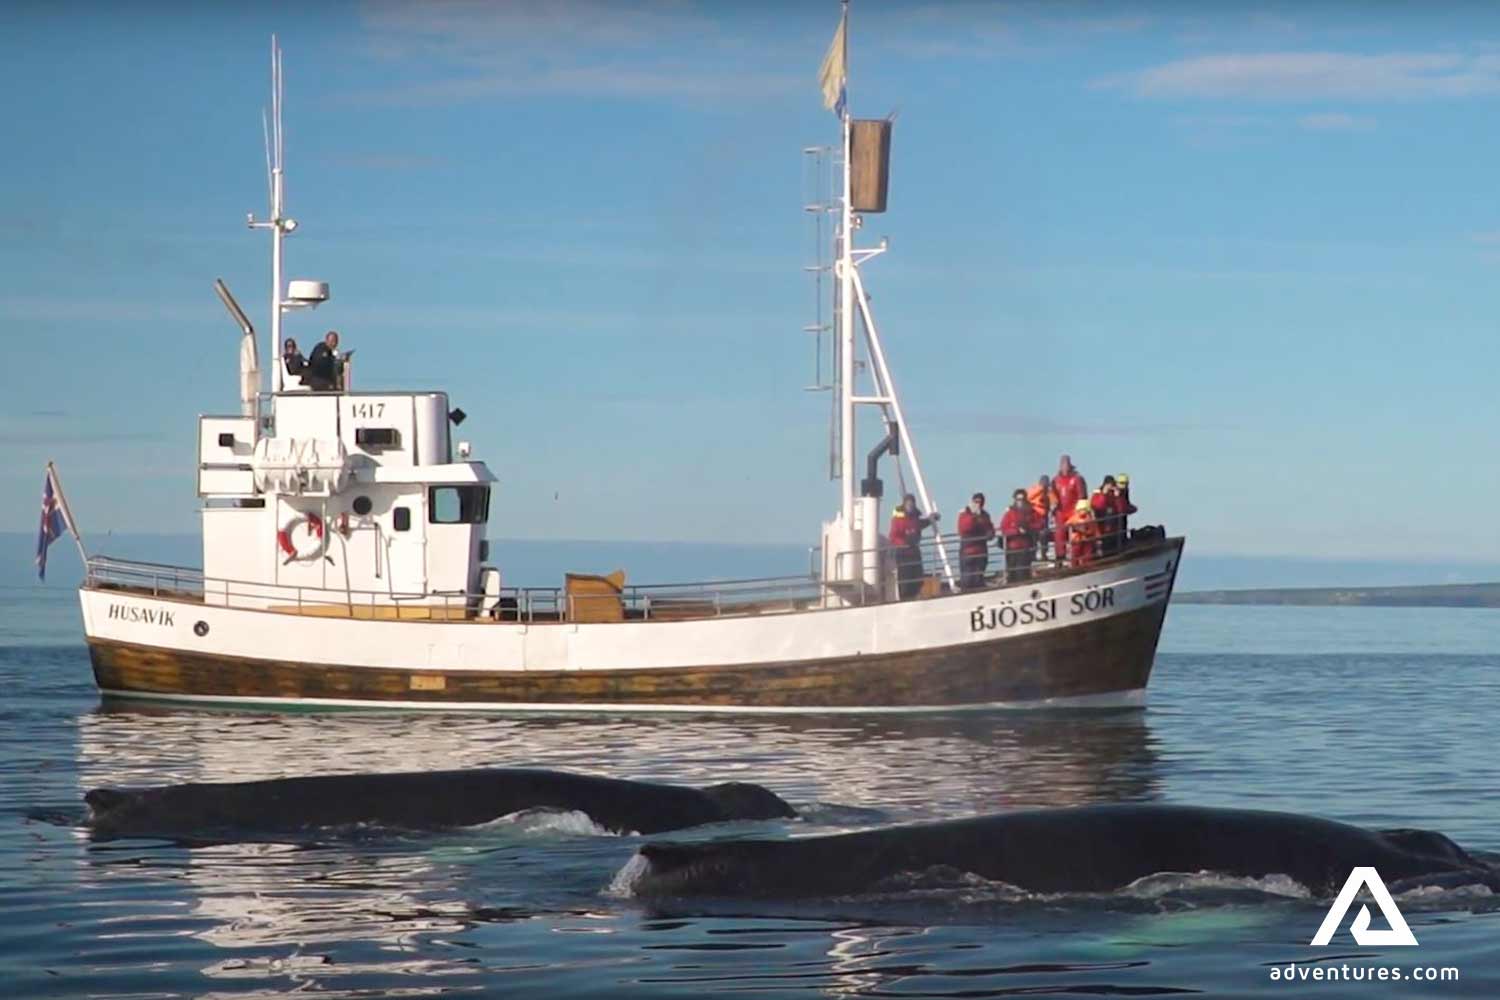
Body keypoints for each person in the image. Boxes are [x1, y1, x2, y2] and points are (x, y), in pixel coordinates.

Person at [889, 493, 937, 600]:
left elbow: (920, 524)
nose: (910, 505)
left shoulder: (915, 518)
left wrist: (931, 519)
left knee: (918, 577)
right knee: (905, 578)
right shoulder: (898, 519)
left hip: (914, 551)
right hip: (903, 553)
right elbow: (893, 536)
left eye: (912, 503)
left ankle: (915, 594)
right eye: (908, 503)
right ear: (904, 504)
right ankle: (906, 598)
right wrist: (904, 544)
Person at [956, 492, 995, 590]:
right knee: (967, 579)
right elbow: (964, 529)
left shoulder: (985, 515)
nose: (978, 504)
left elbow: (990, 528)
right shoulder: (964, 514)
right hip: (968, 551)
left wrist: (990, 534)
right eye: (976, 501)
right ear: (972, 502)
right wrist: (974, 516)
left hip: (981, 551)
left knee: (978, 578)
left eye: (980, 502)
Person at [1052, 455, 1087, 560]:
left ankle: (1077, 558)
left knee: (1077, 535)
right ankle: (1060, 557)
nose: (1064, 466)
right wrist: (1053, 503)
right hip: (1061, 512)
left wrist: (1081, 511)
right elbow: (1051, 494)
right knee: (1059, 534)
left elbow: (1082, 496)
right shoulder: (1055, 480)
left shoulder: (1077, 479)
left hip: (1074, 512)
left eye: (1066, 463)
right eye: (1062, 463)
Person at [999, 488, 1037, 581]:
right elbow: (1004, 529)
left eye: (1022, 499)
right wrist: (1017, 531)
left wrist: (1029, 528)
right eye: (1018, 499)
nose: (1020, 501)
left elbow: (1039, 523)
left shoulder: (1031, 512)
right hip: (1012, 548)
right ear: (1015, 500)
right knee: (1012, 573)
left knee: (1023, 573)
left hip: (1025, 548)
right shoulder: (1009, 514)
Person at [1090, 475, 1124, 557]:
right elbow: (1099, 506)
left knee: (1114, 548)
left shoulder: (1113, 495)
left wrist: (1117, 497)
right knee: (1104, 550)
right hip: (1101, 529)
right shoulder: (1097, 494)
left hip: (1114, 529)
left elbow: (1120, 509)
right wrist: (1104, 494)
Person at [1026, 474, 1057, 561]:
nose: (1045, 484)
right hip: (1034, 516)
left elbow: (1054, 502)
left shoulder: (1049, 492)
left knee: (1044, 536)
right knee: (1033, 537)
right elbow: (1027, 497)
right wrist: (1040, 489)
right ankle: (1033, 555)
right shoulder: (1034, 489)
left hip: (1044, 517)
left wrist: (1054, 506)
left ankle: (1044, 554)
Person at [1066, 498, 1099, 567]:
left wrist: (1096, 536)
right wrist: (1075, 527)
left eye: (1084, 509)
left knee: (1087, 553)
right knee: (1075, 553)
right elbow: (1067, 524)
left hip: (1087, 539)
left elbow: (1094, 528)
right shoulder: (1075, 518)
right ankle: (1074, 565)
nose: (1082, 511)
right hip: (1077, 539)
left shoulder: (1090, 519)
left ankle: (1087, 565)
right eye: (1081, 509)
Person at [1116, 473, 1137, 543]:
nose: (1124, 485)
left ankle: (1123, 539)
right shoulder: (1115, 492)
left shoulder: (1125, 490)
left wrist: (1130, 508)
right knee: (1119, 525)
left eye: (1125, 483)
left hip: (1123, 512)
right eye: (1122, 483)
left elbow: (1126, 501)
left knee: (1124, 524)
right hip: (1117, 513)